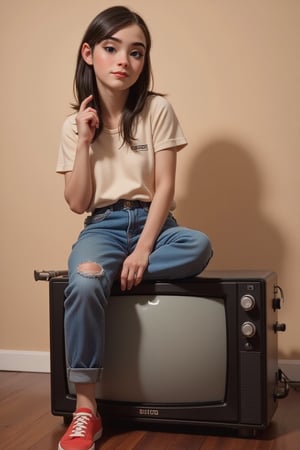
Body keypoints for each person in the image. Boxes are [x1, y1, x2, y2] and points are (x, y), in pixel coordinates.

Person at [56, 5, 213, 450]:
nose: (124, 60)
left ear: (144, 61)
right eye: (111, 48)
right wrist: (85, 141)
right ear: (89, 53)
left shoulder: (158, 109)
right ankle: (86, 410)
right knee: (85, 281)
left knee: (199, 245)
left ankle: (109, 275)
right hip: (102, 226)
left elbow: (164, 188)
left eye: (136, 52)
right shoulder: (73, 127)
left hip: (157, 225)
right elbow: (77, 202)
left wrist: (143, 249)